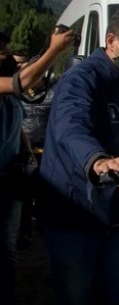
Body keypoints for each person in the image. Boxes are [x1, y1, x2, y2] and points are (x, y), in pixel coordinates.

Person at [39, 8, 119, 305]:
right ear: (112, 40)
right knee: (77, 296)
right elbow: (71, 128)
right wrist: (97, 160)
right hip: (74, 213)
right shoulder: (79, 80)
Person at [0, 28, 74, 305]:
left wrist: (28, 153)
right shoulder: (8, 85)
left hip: (10, 178)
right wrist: (54, 50)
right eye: (1, 48)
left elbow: (17, 123)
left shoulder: (9, 92)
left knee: (7, 248)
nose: (5, 52)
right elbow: (23, 81)